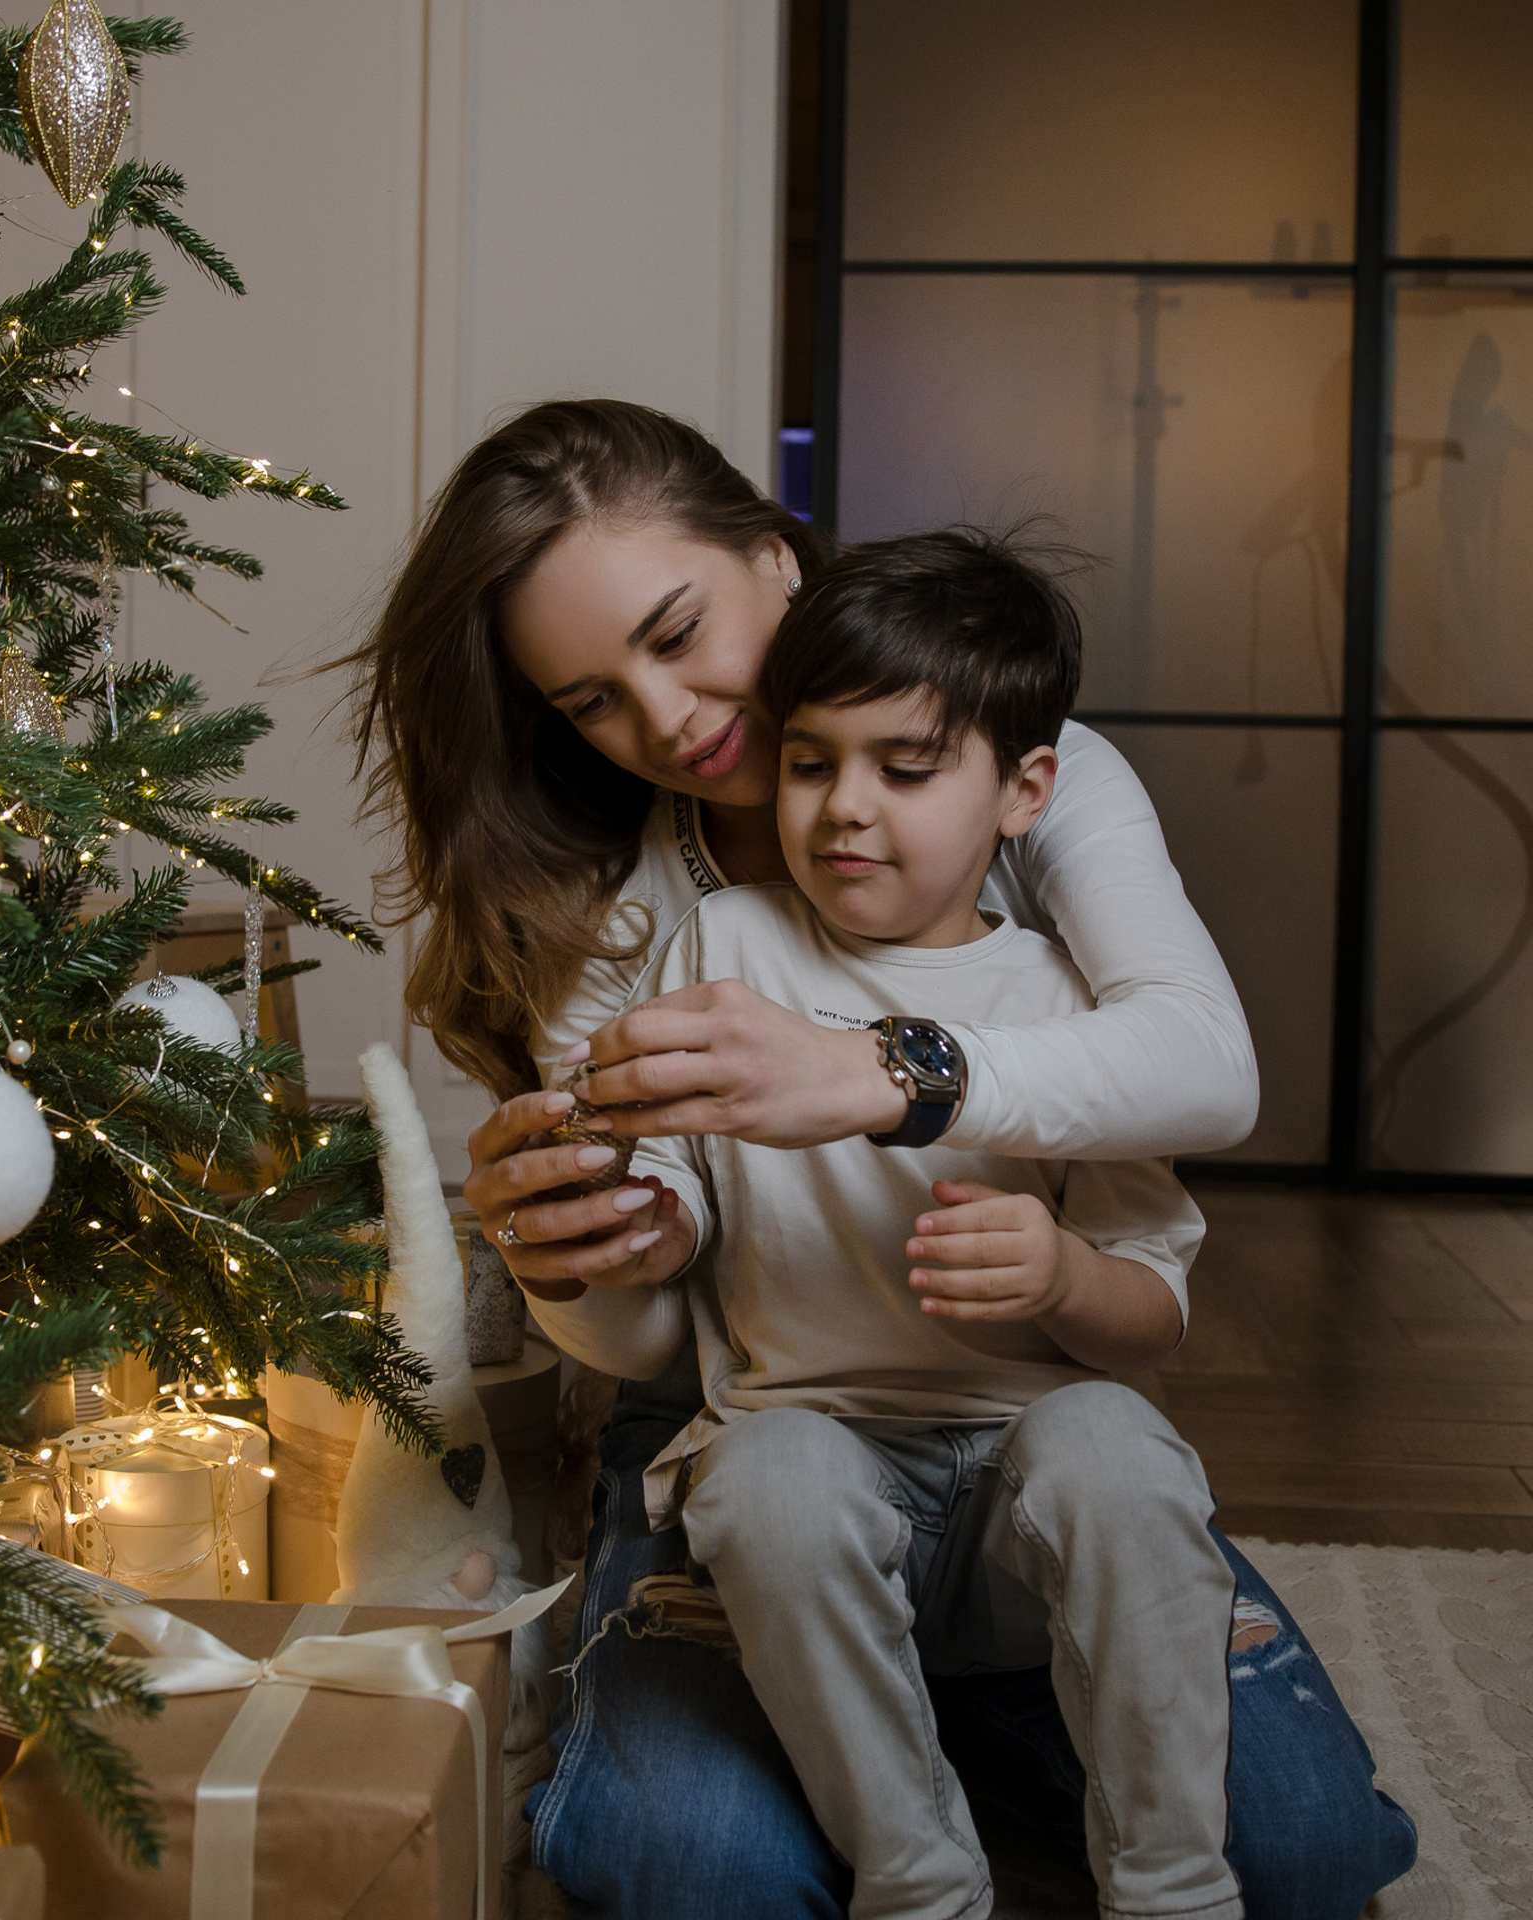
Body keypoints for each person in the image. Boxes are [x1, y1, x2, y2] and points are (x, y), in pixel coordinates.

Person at [350, 399, 1418, 1917]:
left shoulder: (1007, 767)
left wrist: (867, 1072)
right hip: (760, 1412)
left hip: (1022, 1418)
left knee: (1302, 1854)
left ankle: (968, 1700)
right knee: (688, 1871)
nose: (664, 718)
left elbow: (1204, 1069)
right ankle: (898, 1748)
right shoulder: (630, 905)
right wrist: (581, 1262)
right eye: (592, 699)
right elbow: (653, 1329)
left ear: (777, 562)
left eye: (678, 630)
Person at [526, 530, 1287, 1917]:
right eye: (811, 763)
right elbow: (676, 1205)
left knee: (1112, 1444)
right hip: (807, 1504)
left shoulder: (1073, 1009)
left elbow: (1151, 1314)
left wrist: (1061, 1275)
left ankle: (1173, 1884)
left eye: (907, 769)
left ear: (1024, 791)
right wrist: (623, 1225)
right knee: (766, 1474)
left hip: (1019, 1519)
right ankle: (919, 1876)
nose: (844, 810)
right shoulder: (726, 950)